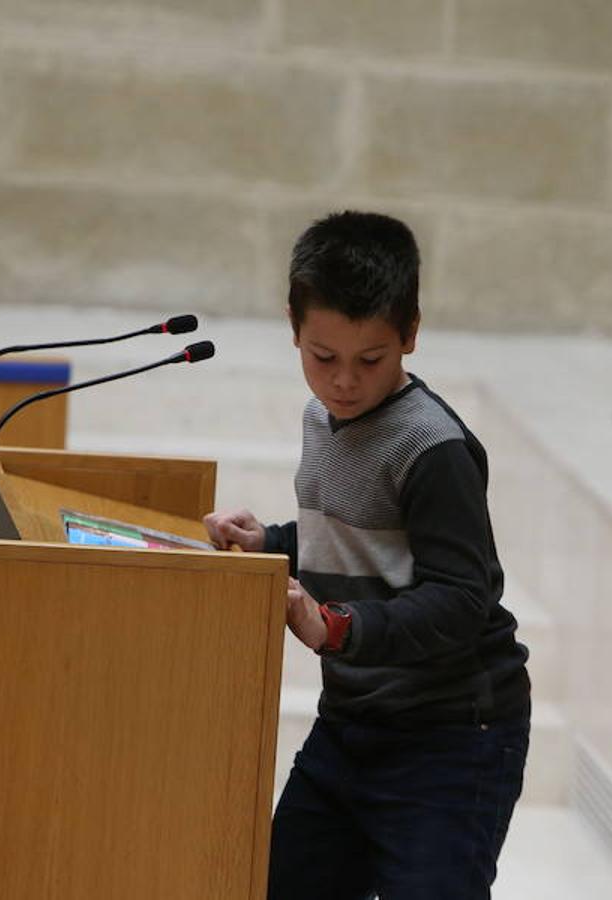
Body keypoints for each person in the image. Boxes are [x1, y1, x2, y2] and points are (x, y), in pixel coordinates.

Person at [203, 211, 530, 899]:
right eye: (323, 358)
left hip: (452, 736)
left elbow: (462, 601)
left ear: (411, 334)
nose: (344, 382)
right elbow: (349, 538)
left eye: (370, 360)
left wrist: (337, 626)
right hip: (353, 723)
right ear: (293, 328)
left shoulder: (432, 448)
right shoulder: (321, 417)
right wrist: (271, 544)